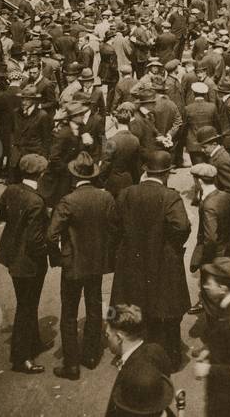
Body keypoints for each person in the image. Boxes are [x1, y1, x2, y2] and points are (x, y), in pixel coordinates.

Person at [110, 150, 191, 370]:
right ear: (166, 174)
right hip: (163, 261)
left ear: (146, 172)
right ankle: (171, 360)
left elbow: (115, 224)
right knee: (166, 310)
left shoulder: (127, 193)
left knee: (136, 307)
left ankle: (136, 355)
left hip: (132, 260)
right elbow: (181, 226)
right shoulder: (170, 196)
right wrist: (170, 244)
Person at [47, 151, 117, 379]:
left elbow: (51, 235)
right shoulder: (105, 197)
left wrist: (57, 259)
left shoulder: (68, 200)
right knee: (94, 307)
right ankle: (91, 356)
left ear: (74, 176)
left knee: (69, 313)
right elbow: (115, 228)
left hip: (73, 265)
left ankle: (71, 365)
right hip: (96, 264)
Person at [0, 153, 50, 373]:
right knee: (26, 306)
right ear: (41, 174)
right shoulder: (36, 201)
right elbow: (35, 241)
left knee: (26, 302)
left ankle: (33, 343)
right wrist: (48, 251)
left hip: (12, 256)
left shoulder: (12, 190)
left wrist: (15, 223)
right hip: (29, 263)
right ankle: (21, 358)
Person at [104, 304, 172, 417]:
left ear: (119, 338)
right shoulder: (156, 350)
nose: (107, 339)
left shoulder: (133, 375)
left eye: (107, 335)